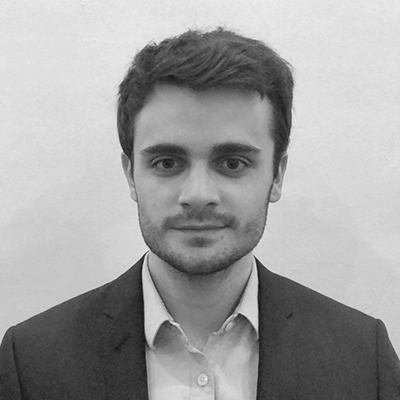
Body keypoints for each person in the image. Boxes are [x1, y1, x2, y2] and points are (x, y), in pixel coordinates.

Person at [0, 27, 399, 400]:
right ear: (131, 175)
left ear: (277, 175)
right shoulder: (32, 363)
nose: (198, 195)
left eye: (233, 163)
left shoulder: (364, 359)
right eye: (167, 163)